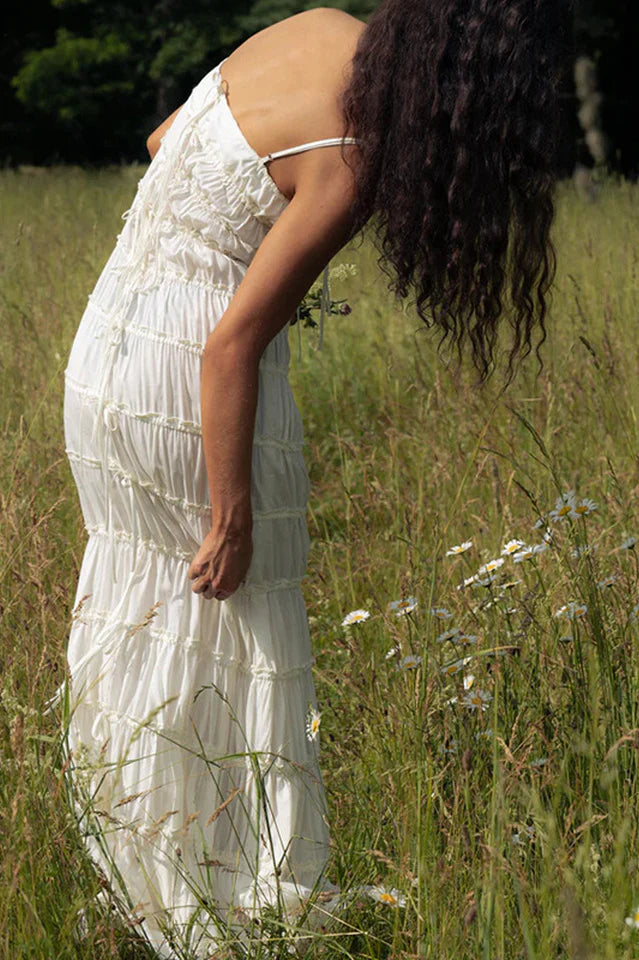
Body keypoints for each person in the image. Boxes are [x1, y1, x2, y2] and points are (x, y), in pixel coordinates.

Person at [56, 2, 570, 955]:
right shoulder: (357, 148)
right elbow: (230, 345)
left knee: (153, 617)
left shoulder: (308, 25)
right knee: (239, 626)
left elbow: (164, 139)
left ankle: (141, 877)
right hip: (196, 379)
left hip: (107, 358)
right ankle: (230, 906)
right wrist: (232, 516)